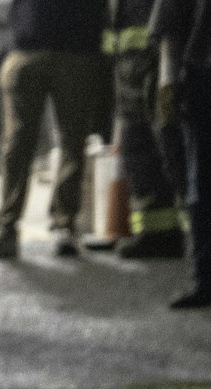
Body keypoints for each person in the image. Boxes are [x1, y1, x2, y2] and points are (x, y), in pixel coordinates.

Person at [0, 0, 111, 259]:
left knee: (21, 145)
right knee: (67, 145)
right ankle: (63, 227)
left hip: (37, 45)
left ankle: (9, 228)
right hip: (73, 48)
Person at [101, 0, 189, 257]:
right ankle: (157, 233)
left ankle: (176, 234)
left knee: (168, 152)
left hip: (152, 76)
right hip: (131, 81)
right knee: (141, 159)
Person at [153, 0, 211, 304]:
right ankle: (204, 278)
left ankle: (205, 280)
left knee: (200, 181)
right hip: (203, 77)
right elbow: (171, 28)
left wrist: (168, 82)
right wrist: (168, 83)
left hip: (201, 74)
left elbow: (170, 27)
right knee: (200, 180)